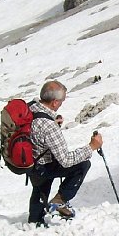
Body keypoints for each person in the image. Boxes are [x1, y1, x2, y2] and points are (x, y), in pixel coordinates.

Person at [26, 80, 102, 225]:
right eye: (61, 101)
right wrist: (91, 146)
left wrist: (53, 123)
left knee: (40, 188)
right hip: (43, 166)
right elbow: (66, 160)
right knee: (83, 165)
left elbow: (38, 131)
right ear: (54, 102)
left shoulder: (32, 107)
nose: (61, 103)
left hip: (31, 162)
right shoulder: (48, 125)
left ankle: (34, 220)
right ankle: (59, 201)